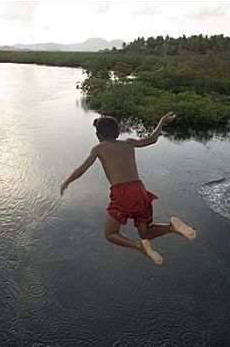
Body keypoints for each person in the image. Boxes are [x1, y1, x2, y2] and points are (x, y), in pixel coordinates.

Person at [60, 112, 196, 265]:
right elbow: (152, 139)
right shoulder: (129, 143)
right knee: (145, 232)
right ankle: (171, 227)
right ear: (117, 132)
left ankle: (139, 246)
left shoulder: (99, 148)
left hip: (122, 193)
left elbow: (82, 168)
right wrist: (162, 121)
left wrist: (67, 181)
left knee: (111, 234)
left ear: (99, 135)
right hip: (140, 189)